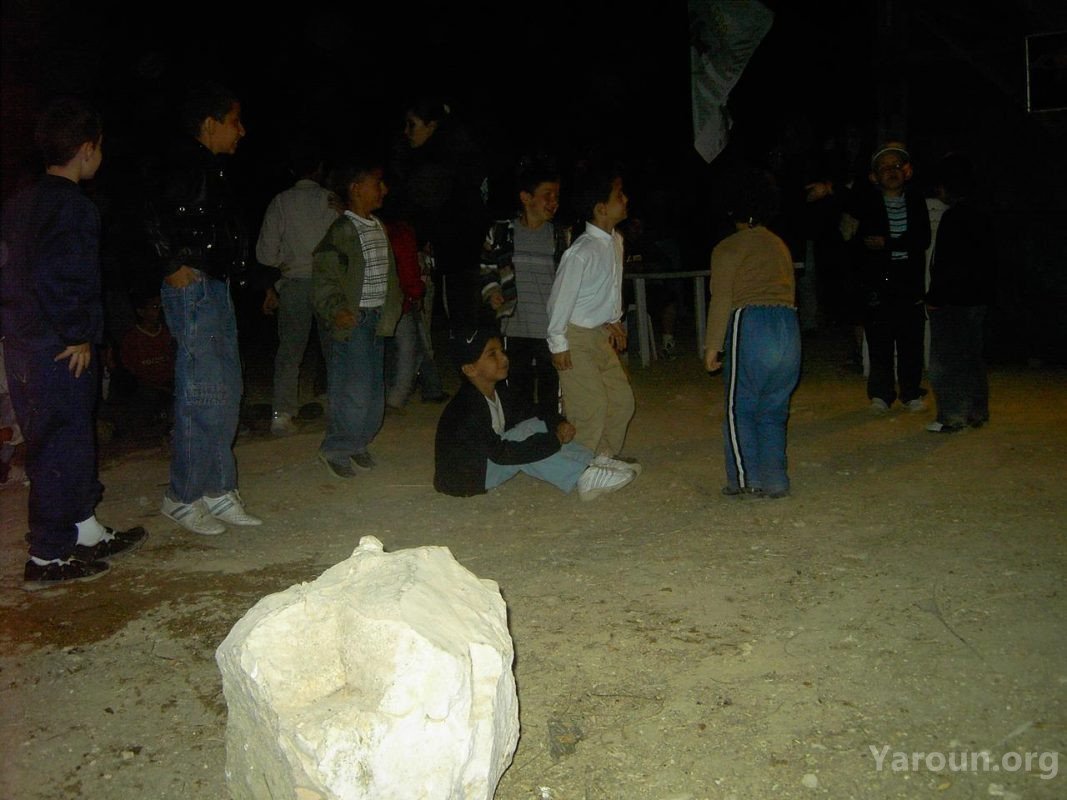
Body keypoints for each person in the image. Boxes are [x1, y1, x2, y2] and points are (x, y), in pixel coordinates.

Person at [0, 96, 146, 589]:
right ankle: (46, 556)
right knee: (58, 446)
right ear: (87, 149)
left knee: (71, 438)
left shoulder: (19, 203)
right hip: (58, 346)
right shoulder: (74, 206)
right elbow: (65, 275)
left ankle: (85, 530)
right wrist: (78, 333)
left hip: (24, 343)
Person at [149, 82, 264, 535]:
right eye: (235, 121)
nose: (242, 130)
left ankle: (217, 489)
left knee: (225, 389)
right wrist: (169, 263)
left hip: (214, 286)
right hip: (193, 287)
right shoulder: (178, 162)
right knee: (201, 392)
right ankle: (182, 496)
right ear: (211, 123)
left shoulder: (209, 168)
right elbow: (144, 212)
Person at [433, 325, 636, 500]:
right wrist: (553, 440)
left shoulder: (499, 391)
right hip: (469, 478)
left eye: (502, 351)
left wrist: (557, 422)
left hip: (487, 462)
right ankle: (582, 476)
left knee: (532, 425)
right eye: (492, 354)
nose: (503, 358)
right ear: (470, 369)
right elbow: (503, 454)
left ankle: (589, 461)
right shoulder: (468, 407)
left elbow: (533, 412)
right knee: (523, 438)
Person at [704, 167, 801, 500]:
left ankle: (746, 479)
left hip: (751, 322)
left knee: (739, 408)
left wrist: (713, 345)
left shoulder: (728, 247)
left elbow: (722, 299)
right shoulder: (778, 244)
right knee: (774, 409)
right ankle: (776, 480)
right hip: (788, 326)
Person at [312, 157, 402, 478]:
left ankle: (357, 442)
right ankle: (335, 448)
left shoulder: (376, 226)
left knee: (373, 391)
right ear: (356, 188)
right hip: (353, 322)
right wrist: (337, 309)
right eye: (377, 184)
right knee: (352, 390)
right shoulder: (342, 230)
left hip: (375, 320)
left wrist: (391, 311)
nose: (383, 190)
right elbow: (324, 276)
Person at [546, 163, 638, 466]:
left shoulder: (616, 241)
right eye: (619, 195)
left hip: (598, 335)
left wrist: (614, 319)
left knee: (622, 400)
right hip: (574, 336)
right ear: (601, 208)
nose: (626, 199)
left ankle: (604, 458)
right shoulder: (580, 252)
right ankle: (577, 466)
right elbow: (559, 300)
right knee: (590, 405)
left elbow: (609, 287)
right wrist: (558, 343)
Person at [256, 143, 339, 435]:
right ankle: (338, 409)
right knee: (334, 349)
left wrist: (284, 261)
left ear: (293, 170)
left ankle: (282, 415)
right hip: (327, 283)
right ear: (319, 169)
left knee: (290, 352)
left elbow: (265, 253)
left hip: (295, 283)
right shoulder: (330, 200)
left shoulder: (281, 202)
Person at [479, 156, 570, 417]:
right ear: (526, 197)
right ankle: (520, 430)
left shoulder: (558, 236)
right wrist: (493, 291)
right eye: (547, 195)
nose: (553, 202)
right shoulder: (502, 233)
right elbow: (486, 266)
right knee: (517, 384)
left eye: (556, 196)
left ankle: (550, 429)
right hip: (514, 325)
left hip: (549, 328)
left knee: (551, 384)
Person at [388, 96, 488, 332]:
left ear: (431, 125)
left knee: (461, 327)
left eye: (412, 125)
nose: (406, 132)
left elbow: (416, 208)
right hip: (464, 259)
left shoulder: (438, 162)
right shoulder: (452, 154)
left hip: (458, 261)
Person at [852, 141, 931, 413]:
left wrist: (889, 243)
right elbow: (863, 242)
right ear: (874, 176)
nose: (892, 171)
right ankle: (881, 393)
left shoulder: (915, 200)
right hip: (879, 280)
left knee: (911, 340)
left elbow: (921, 238)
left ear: (907, 171)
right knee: (879, 339)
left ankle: (911, 392)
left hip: (908, 279)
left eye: (897, 165)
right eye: (884, 168)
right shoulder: (868, 204)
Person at [924, 153, 994, 433]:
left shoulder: (954, 217)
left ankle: (951, 415)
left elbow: (946, 263)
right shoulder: (984, 214)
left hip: (953, 300)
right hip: (977, 298)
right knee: (971, 356)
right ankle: (977, 410)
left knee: (945, 360)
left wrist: (935, 297)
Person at [382, 214, 446, 411]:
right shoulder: (401, 232)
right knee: (409, 350)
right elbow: (407, 267)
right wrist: (417, 292)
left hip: (380, 302)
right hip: (400, 301)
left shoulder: (376, 227)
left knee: (392, 349)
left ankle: (426, 389)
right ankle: (396, 398)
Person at [119, 289, 175, 423]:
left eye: (161, 307)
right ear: (141, 312)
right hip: (146, 389)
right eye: (155, 307)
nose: (159, 311)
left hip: (170, 385)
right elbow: (130, 373)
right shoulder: (132, 338)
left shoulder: (168, 333)